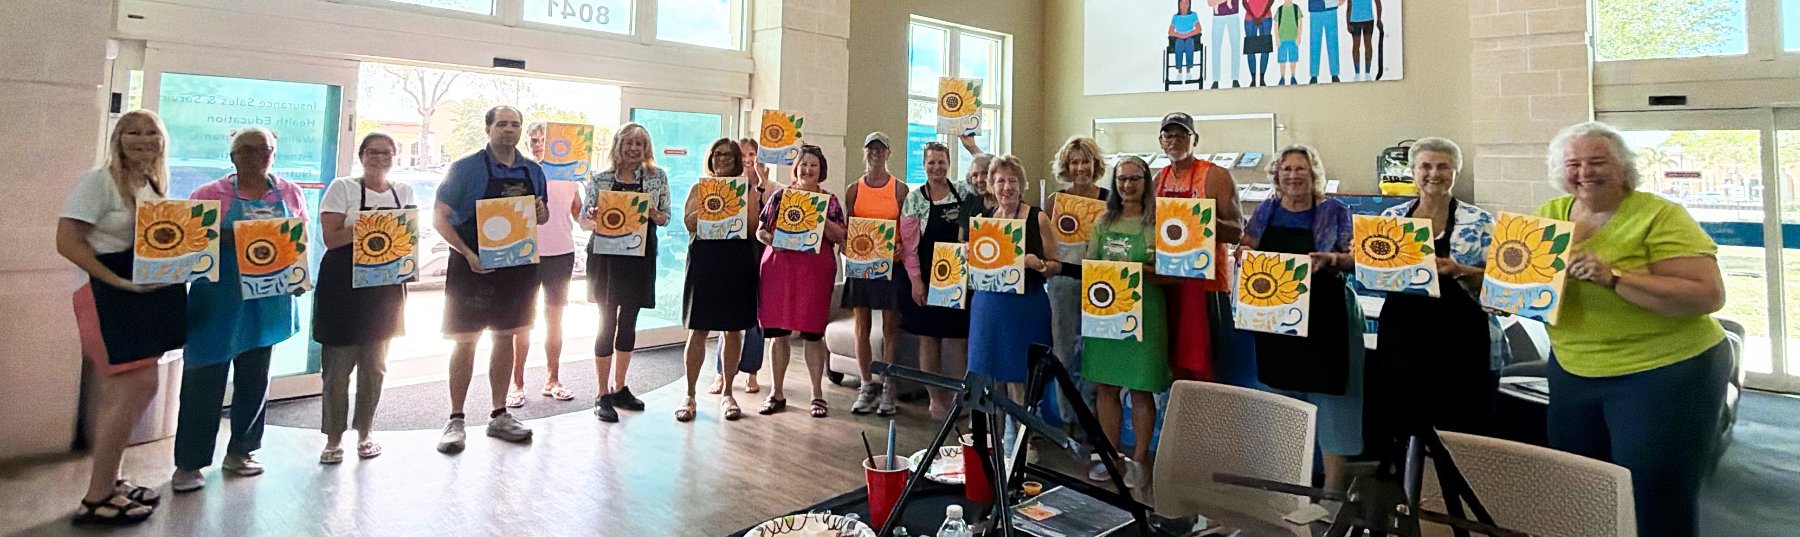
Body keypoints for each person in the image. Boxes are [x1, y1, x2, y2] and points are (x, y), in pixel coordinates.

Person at [1538, 122, 1728, 537]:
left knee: (1655, 494)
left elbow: (1707, 295)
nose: (1585, 172)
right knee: (1580, 485)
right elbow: (1528, 286)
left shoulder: (1660, 215)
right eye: (1574, 163)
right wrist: (1476, 279)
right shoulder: (1551, 214)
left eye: (1597, 161)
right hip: (1574, 367)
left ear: (1623, 168)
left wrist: (1615, 277)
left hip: (1664, 370)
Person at [58, 110, 184, 524]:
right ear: (117, 137)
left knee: (131, 392)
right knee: (132, 389)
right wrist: (119, 283)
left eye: (152, 132)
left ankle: (108, 481)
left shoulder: (151, 183)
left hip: (140, 296)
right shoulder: (98, 181)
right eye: (133, 131)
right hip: (106, 295)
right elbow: (67, 241)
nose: (144, 139)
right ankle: (96, 498)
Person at [173, 127, 309, 491]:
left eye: (263, 149)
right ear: (232, 156)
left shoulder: (289, 192)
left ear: (273, 154)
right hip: (215, 302)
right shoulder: (208, 195)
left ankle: (242, 452)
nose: (255, 156)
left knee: (254, 381)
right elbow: (189, 249)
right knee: (203, 381)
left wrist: (299, 274)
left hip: (268, 302)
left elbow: (301, 238)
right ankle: (189, 464)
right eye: (245, 150)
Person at [1242, 144, 1365, 497]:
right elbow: (1248, 244)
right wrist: (1245, 253)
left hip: (1325, 317)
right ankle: (1290, 482)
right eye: (1286, 169)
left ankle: (1331, 488)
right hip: (1277, 319)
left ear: (1313, 174)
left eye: (1301, 169)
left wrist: (1331, 259)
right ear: (1276, 174)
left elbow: (1354, 258)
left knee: (1331, 401)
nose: (1293, 176)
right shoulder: (1265, 210)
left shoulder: (1334, 211)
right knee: (1282, 400)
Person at [432, 106, 548, 453]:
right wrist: (467, 254)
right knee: (464, 341)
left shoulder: (533, 170)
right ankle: (455, 419)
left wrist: (541, 213)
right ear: (488, 129)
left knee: (506, 338)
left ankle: (499, 414)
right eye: (502, 124)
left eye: (515, 124)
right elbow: (439, 218)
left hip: (518, 269)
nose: (509, 130)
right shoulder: (464, 168)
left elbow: (540, 218)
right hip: (471, 266)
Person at [1370, 137, 1501, 442]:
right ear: (1413, 171)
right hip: (1404, 337)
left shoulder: (1480, 221)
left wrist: (1462, 272)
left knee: (1462, 428)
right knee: (1407, 424)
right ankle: (1413, 487)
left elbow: (1502, 285)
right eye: (1425, 166)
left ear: (1456, 171)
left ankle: (1456, 490)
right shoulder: (1390, 220)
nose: (1434, 173)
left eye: (1443, 166)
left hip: (1463, 342)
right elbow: (1378, 279)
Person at [312, 133, 415, 464]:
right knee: (337, 369)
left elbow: (408, 238)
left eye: (387, 152)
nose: (379, 158)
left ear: (395, 156)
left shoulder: (405, 192)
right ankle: (333, 439)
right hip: (342, 289)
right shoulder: (342, 188)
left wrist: (380, 230)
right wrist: (377, 228)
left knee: (375, 368)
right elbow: (331, 239)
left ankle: (366, 432)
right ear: (361, 155)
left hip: (384, 292)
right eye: (372, 152)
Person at [1080, 156, 1170, 489]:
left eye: (1134, 179)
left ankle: (1140, 459)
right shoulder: (1103, 221)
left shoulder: (1159, 223)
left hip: (1146, 314)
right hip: (1107, 312)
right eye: (1121, 180)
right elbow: (1091, 264)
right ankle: (1110, 456)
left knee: (1141, 389)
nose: (1127, 185)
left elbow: (1173, 272)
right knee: (1106, 387)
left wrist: (1139, 272)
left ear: (1146, 182)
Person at [967, 155, 1060, 458]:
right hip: (988, 307)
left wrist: (1038, 264)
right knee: (989, 375)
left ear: (1022, 185)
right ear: (991, 186)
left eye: (1012, 181)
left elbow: (1056, 265)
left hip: (1025, 307)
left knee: (1020, 375)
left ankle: (1022, 441)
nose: (1006, 187)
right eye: (1000, 181)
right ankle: (992, 440)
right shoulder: (983, 223)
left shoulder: (1037, 218)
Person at [583, 123, 672, 422]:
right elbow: (585, 221)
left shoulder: (657, 177)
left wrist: (651, 212)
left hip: (639, 257)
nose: (634, 148)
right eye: (629, 142)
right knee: (606, 322)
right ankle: (601, 393)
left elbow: (665, 218)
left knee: (629, 322)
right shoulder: (600, 178)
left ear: (646, 148)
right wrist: (594, 217)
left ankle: (620, 387)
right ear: (618, 145)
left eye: (640, 143)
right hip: (606, 258)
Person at [1154, 113, 1245, 384]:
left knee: (1209, 369)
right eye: (1169, 135)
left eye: (1182, 135)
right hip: (1167, 283)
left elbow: (1236, 230)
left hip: (1207, 286)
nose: (1175, 141)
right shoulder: (1157, 179)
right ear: (1161, 141)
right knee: (1169, 366)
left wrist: (1195, 220)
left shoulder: (1215, 176)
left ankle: (1210, 424)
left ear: (1195, 139)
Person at [757, 145, 847, 418]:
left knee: (813, 333)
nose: (808, 170)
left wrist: (816, 216)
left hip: (814, 272)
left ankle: (817, 394)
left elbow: (841, 235)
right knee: (777, 333)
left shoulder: (829, 201)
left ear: (821, 171)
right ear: (795, 168)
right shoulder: (780, 197)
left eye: (814, 166)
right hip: (779, 269)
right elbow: (761, 230)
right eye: (804, 164)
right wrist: (774, 240)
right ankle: (777, 392)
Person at [678, 138, 764, 422]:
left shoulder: (747, 189)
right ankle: (689, 395)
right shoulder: (698, 188)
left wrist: (735, 203)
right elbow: (689, 223)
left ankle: (728, 392)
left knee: (732, 331)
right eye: (718, 154)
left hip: (737, 262)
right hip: (704, 262)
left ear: (738, 160)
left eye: (729, 155)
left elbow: (752, 228)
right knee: (697, 330)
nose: (723, 159)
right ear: (711, 157)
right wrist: (714, 205)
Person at [899, 142, 978, 420]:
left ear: (948, 163)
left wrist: (971, 146)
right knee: (929, 338)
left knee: (958, 339)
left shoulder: (965, 192)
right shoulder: (915, 199)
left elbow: (987, 170)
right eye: (931, 162)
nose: (936, 167)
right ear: (924, 165)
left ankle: (959, 397)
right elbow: (908, 247)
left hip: (960, 277)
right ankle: (936, 399)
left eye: (941, 162)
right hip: (928, 276)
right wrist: (916, 280)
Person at [508, 123, 584, 408]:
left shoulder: (570, 177)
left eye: (544, 139)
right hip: (524, 255)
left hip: (561, 254)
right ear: (527, 143)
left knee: (555, 321)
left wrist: (600, 218)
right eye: (535, 139)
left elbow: (580, 215)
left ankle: (553, 379)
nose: (539, 144)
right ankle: (516, 384)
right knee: (522, 322)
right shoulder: (520, 173)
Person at [1044, 137, 1110, 426]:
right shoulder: (1055, 201)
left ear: (1095, 165)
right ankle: (1069, 419)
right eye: (1075, 162)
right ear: (1066, 166)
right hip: (1064, 283)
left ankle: (1091, 417)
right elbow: (1044, 244)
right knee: (1064, 351)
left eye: (1086, 161)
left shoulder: (1111, 199)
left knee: (1096, 351)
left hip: (1103, 284)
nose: (1081, 167)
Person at [843, 132, 910, 416]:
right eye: (871, 149)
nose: (876, 154)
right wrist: (848, 249)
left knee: (891, 328)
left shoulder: (900, 189)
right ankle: (866, 384)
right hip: (861, 267)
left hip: (891, 266)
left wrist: (899, 248)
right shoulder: (853, 189)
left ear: (888, 153)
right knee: (862, 326)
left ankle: (888, 385)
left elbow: (907, 230)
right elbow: (848, 229)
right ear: (865, 152)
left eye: (881, 149)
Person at [709, 137, 771, 395]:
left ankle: (752, 372)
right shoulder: (720, 185)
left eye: (752, 154)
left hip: (758, 253)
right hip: (728, 255)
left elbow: (762, 221)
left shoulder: (768, 186)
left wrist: (761, 185)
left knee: (754, 316)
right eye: (743, 154)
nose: (747, 159)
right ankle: (722, 373)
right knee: (727, 317)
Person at [1210, 0, 1243, 89]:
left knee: (1235, 46)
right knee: (1216, 47)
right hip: (1218, 17)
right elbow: (1210, 3)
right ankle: (1215, 79)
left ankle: (1235, 78)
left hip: (1233, 15)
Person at [1307, 0, 1342, 84]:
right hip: (1315, 9)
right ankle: (1314, 74)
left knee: (1333, 42)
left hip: (1331, 8)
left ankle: (1335, 73)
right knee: (1315, 43)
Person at [1346, 0, 1382, 81]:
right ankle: (1357, 73)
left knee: (1368, 45)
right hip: (1355, 20)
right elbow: (1349, 4)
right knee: (1356, 46)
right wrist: (1348, 22)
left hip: (1368, 20)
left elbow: (1378, 2)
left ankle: (1367, 73)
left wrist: (1379, 19)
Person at [1243, 0, 1275, 87]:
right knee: (1250, 49)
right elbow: (1244, 2)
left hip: (1266, 17)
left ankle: (1262, 78)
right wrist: (1253, 16)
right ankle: (1253, 79)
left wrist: (1262, 15)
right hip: (1250, 18)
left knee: (1265, 48)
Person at [1169, 0, 1203, 78]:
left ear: (1189, 5)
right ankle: (1179, 72)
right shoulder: (1176, 17)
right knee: (1179, 44)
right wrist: (1180, 35)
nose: (1184, 5)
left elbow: (1199, 29)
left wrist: (1187, 34)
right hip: (1179, 37)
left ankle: (1188, 71)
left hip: (1190, 37)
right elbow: (1170, 31)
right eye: (1182, 3)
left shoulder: (1193, 15)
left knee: (1189, 43)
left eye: (1186, 3)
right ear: (1179, 4)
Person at [1275, 0, 1303, 86]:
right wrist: (1277, 38)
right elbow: (1276, 25)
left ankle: (1293, 76)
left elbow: (1300, 23)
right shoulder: (1279, 9)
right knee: (1282, 60)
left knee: (1293, 59)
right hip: (1282, 39)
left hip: (1293, 38)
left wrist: (1298, 36)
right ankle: (1282, 77)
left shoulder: (1296, 8)